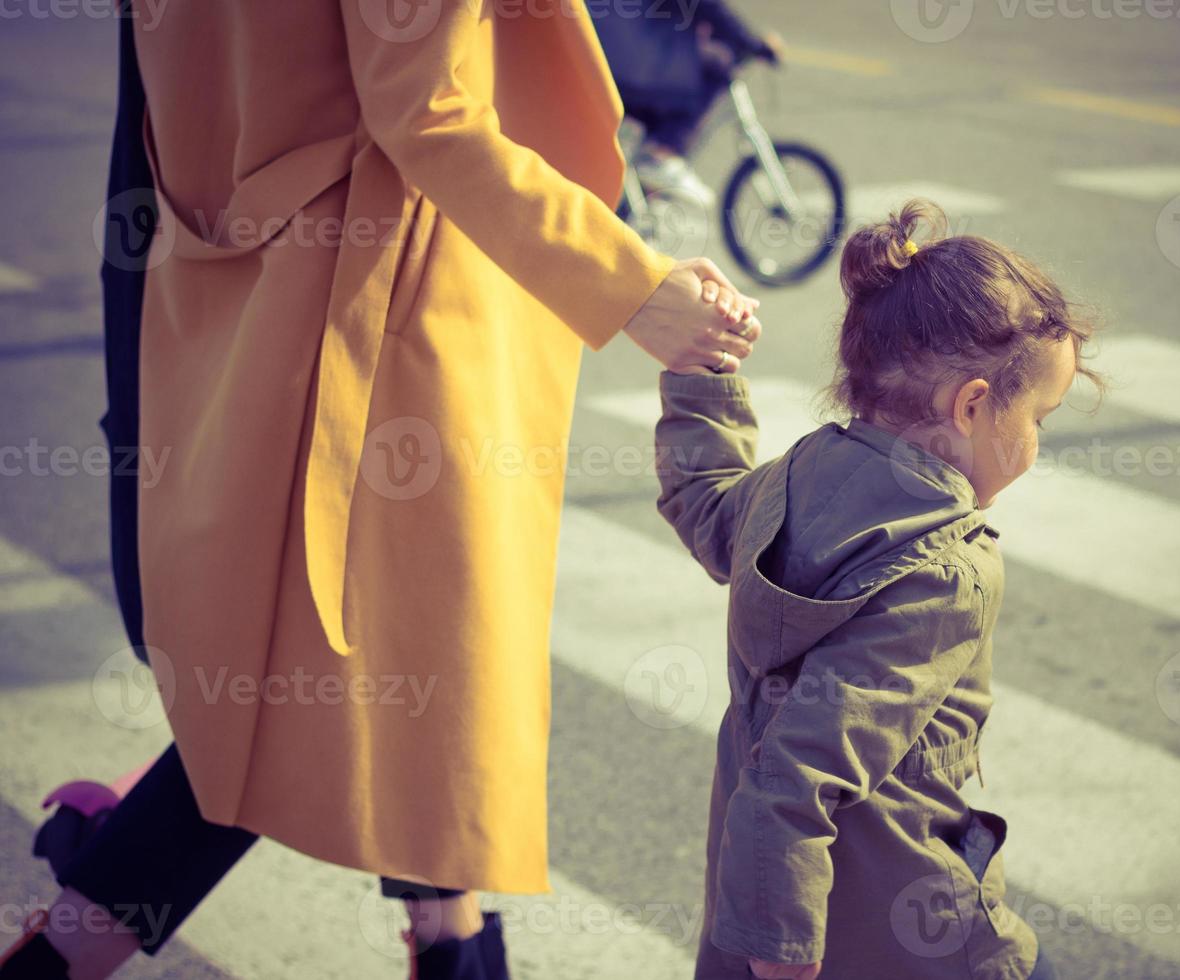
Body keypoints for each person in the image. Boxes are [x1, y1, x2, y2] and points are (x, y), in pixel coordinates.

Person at [0, 1, 759, 978]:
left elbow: (152, 97)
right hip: (381, 316)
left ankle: (431, 940)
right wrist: (632, 286)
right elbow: (427, 110)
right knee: (332, 694)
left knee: (372, 699)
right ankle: (64, 945)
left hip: (233, 278)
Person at [654, 199, 1104, 979]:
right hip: (909, 930)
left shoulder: (801, 475)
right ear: (971, 406)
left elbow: (705, 499)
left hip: (767, 902)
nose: (1036, 441)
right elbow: (799, 772)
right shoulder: (948, 569)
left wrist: (704, 373)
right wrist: (784, 957)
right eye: (1040, 416)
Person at [592, 0, 783, 205]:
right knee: (716, 69)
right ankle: (661, 155)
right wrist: (752, 43)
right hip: (632, 60)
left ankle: (641, 201)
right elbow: (707, 6)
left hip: (609, 47)